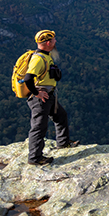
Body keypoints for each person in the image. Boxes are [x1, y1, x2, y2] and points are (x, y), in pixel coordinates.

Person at [24, 29, 77, 165]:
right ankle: (35, 158)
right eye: (53, 40)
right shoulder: (38, 59)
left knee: (61, 115)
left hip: (49, 96)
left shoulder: (45, 55)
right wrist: (37, 93)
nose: (55, 41)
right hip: (40, 98)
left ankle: (63, 143)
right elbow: (28, 78)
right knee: (38, 127)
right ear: (48, 42)